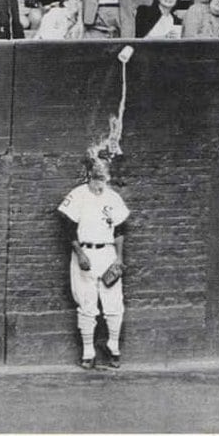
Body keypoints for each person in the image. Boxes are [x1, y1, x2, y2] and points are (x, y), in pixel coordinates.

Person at [57, 157, 130, 370]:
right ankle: (88, 351)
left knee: (114, 302)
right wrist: (79, 254)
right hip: (85, 252)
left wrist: (119, 258)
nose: (101, 183)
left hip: (107, 253)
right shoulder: (78, 195)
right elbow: (68, 227)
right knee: (87, 302)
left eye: (104, 178)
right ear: (90, 175)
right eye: (97, 178)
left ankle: (113, 346)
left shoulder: (113, 198)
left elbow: (119, 230)